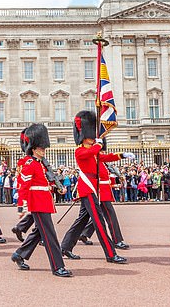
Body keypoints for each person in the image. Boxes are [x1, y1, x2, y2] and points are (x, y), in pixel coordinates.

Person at [60, 110, 130, 263]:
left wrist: (121, 155)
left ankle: (65, 247)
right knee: (99, 222)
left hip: (94, 189)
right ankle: (111, 254)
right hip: (88, 189)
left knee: (81, 221)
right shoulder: (80, 151)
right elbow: (93, 151)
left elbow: (105, 157)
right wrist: (98, 144)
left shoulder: (93, 151)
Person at [11, 123, 72, 277]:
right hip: (37, 203)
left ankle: (19, 254)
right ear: (33, 148)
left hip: (45, 201)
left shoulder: (41, 164)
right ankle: (58, 266)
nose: (43, 150)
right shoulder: (30, 164)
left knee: (39, 232)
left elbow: (46, 181)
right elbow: (23, 186)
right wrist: (21, 207)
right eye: (41, 148)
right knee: (50, 235)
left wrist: (58, 187)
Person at [11, 129, 33, 241]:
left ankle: (20, 227)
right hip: (30, 189)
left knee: (38, 214)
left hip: (34, 188)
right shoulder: (27, 161)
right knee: (39, 213)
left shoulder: (24, 160)